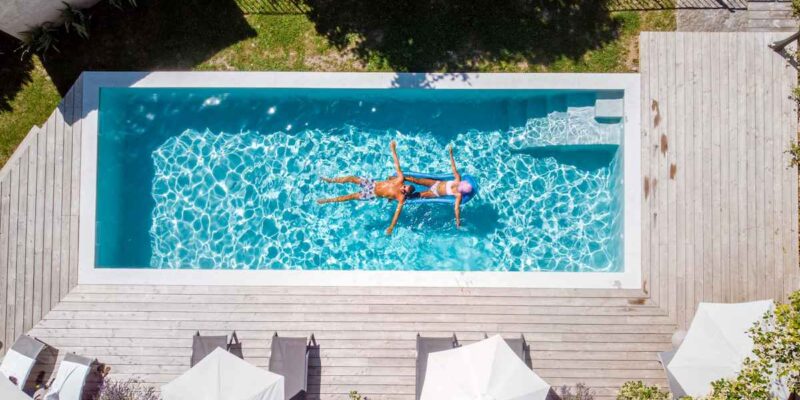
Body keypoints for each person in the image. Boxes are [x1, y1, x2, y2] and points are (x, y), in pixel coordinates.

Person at [317, 140, 415, 235]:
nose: (402, 188)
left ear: (406, 194)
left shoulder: (401, 198)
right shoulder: (400, 179)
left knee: (350, 196)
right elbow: (397, 165)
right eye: (404, 186)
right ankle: (330, 180)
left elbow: (396, 214)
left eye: (404, 191)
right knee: (351, 178)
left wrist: (391, 227)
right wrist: (393, 148)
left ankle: (327, 200)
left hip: (372, 194)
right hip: (372, 184)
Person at [403, 145, 473, 228]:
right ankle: (402, 178)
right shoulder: (458, 180)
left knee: (418, 195)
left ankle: (404, 195)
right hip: (435, 183)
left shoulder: (458, 194)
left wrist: (458, 221)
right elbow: (453, 167)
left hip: (435, 192)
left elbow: (456, 209)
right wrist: (451, 154)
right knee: (417, 181)